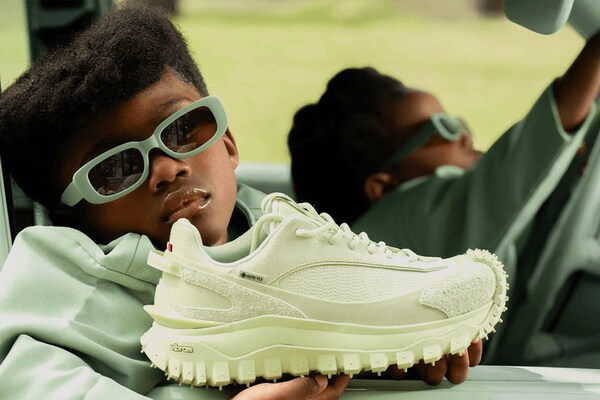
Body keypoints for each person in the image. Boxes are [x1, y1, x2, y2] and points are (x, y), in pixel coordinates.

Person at [0, 6, 482, 399]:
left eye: (184, 129)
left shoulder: (283, 233)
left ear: (228, 144)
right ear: (75, 215)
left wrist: (378, 355)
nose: (167, 168)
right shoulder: (63, 275)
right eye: (116, 168)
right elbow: (26, 382)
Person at [288, 30, 600, 285]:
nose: (464, 136)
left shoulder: (417, 235)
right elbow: (519, 161)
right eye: (439, 130)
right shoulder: (409, 215)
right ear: (382, 186)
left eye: (454, 122)